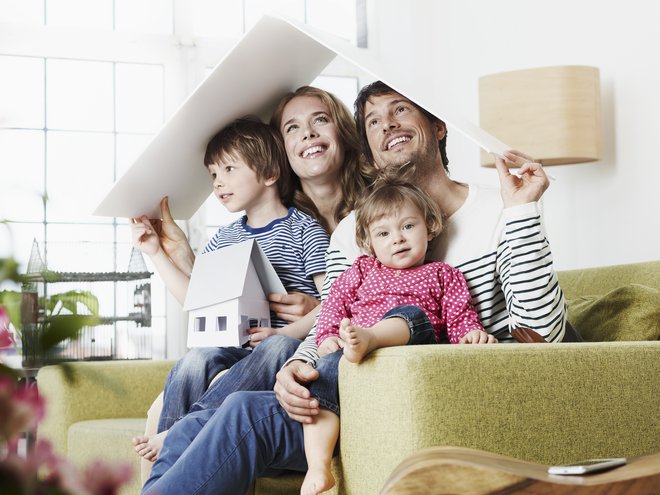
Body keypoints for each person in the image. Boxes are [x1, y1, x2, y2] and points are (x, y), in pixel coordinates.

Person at [141, 81, 568, 495]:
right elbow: (331, 316)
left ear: (438, 126)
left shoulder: (504, 207)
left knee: (244, 417)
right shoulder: (352, 233)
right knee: (224, 414)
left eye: (400, 109)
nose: (388, 124)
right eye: (373, 121)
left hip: (432, 394)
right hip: (341, 387)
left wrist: (523, 211)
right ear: (366, 146)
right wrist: (295, 366)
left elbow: (543, 335)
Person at [132, 86, 372, 472]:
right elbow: (198, 300)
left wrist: (288, 333)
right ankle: (173, 456)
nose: (218, 182)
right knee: (195, 359)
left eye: (229, 170)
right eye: (213, 174)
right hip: (236, 346)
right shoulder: (225, 238)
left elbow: (334, 299)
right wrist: (157, 253)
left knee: (275, 351)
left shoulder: (304, 229)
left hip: (286, 347)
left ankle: (183, 433)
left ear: (270, 173)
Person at [301, 180, 494, 495]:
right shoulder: (362, 270)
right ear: (369, 242)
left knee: (411, 315)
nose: (398, 239)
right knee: (322, 376)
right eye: (384, 233)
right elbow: (333, 305)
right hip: (353, 359)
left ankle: (370, 337)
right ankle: (319, 467)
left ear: (430, 227)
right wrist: (326, 337)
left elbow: (460, 316)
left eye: (408, 226)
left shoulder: (443, 274)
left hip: (410, 346)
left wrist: (472, 335)